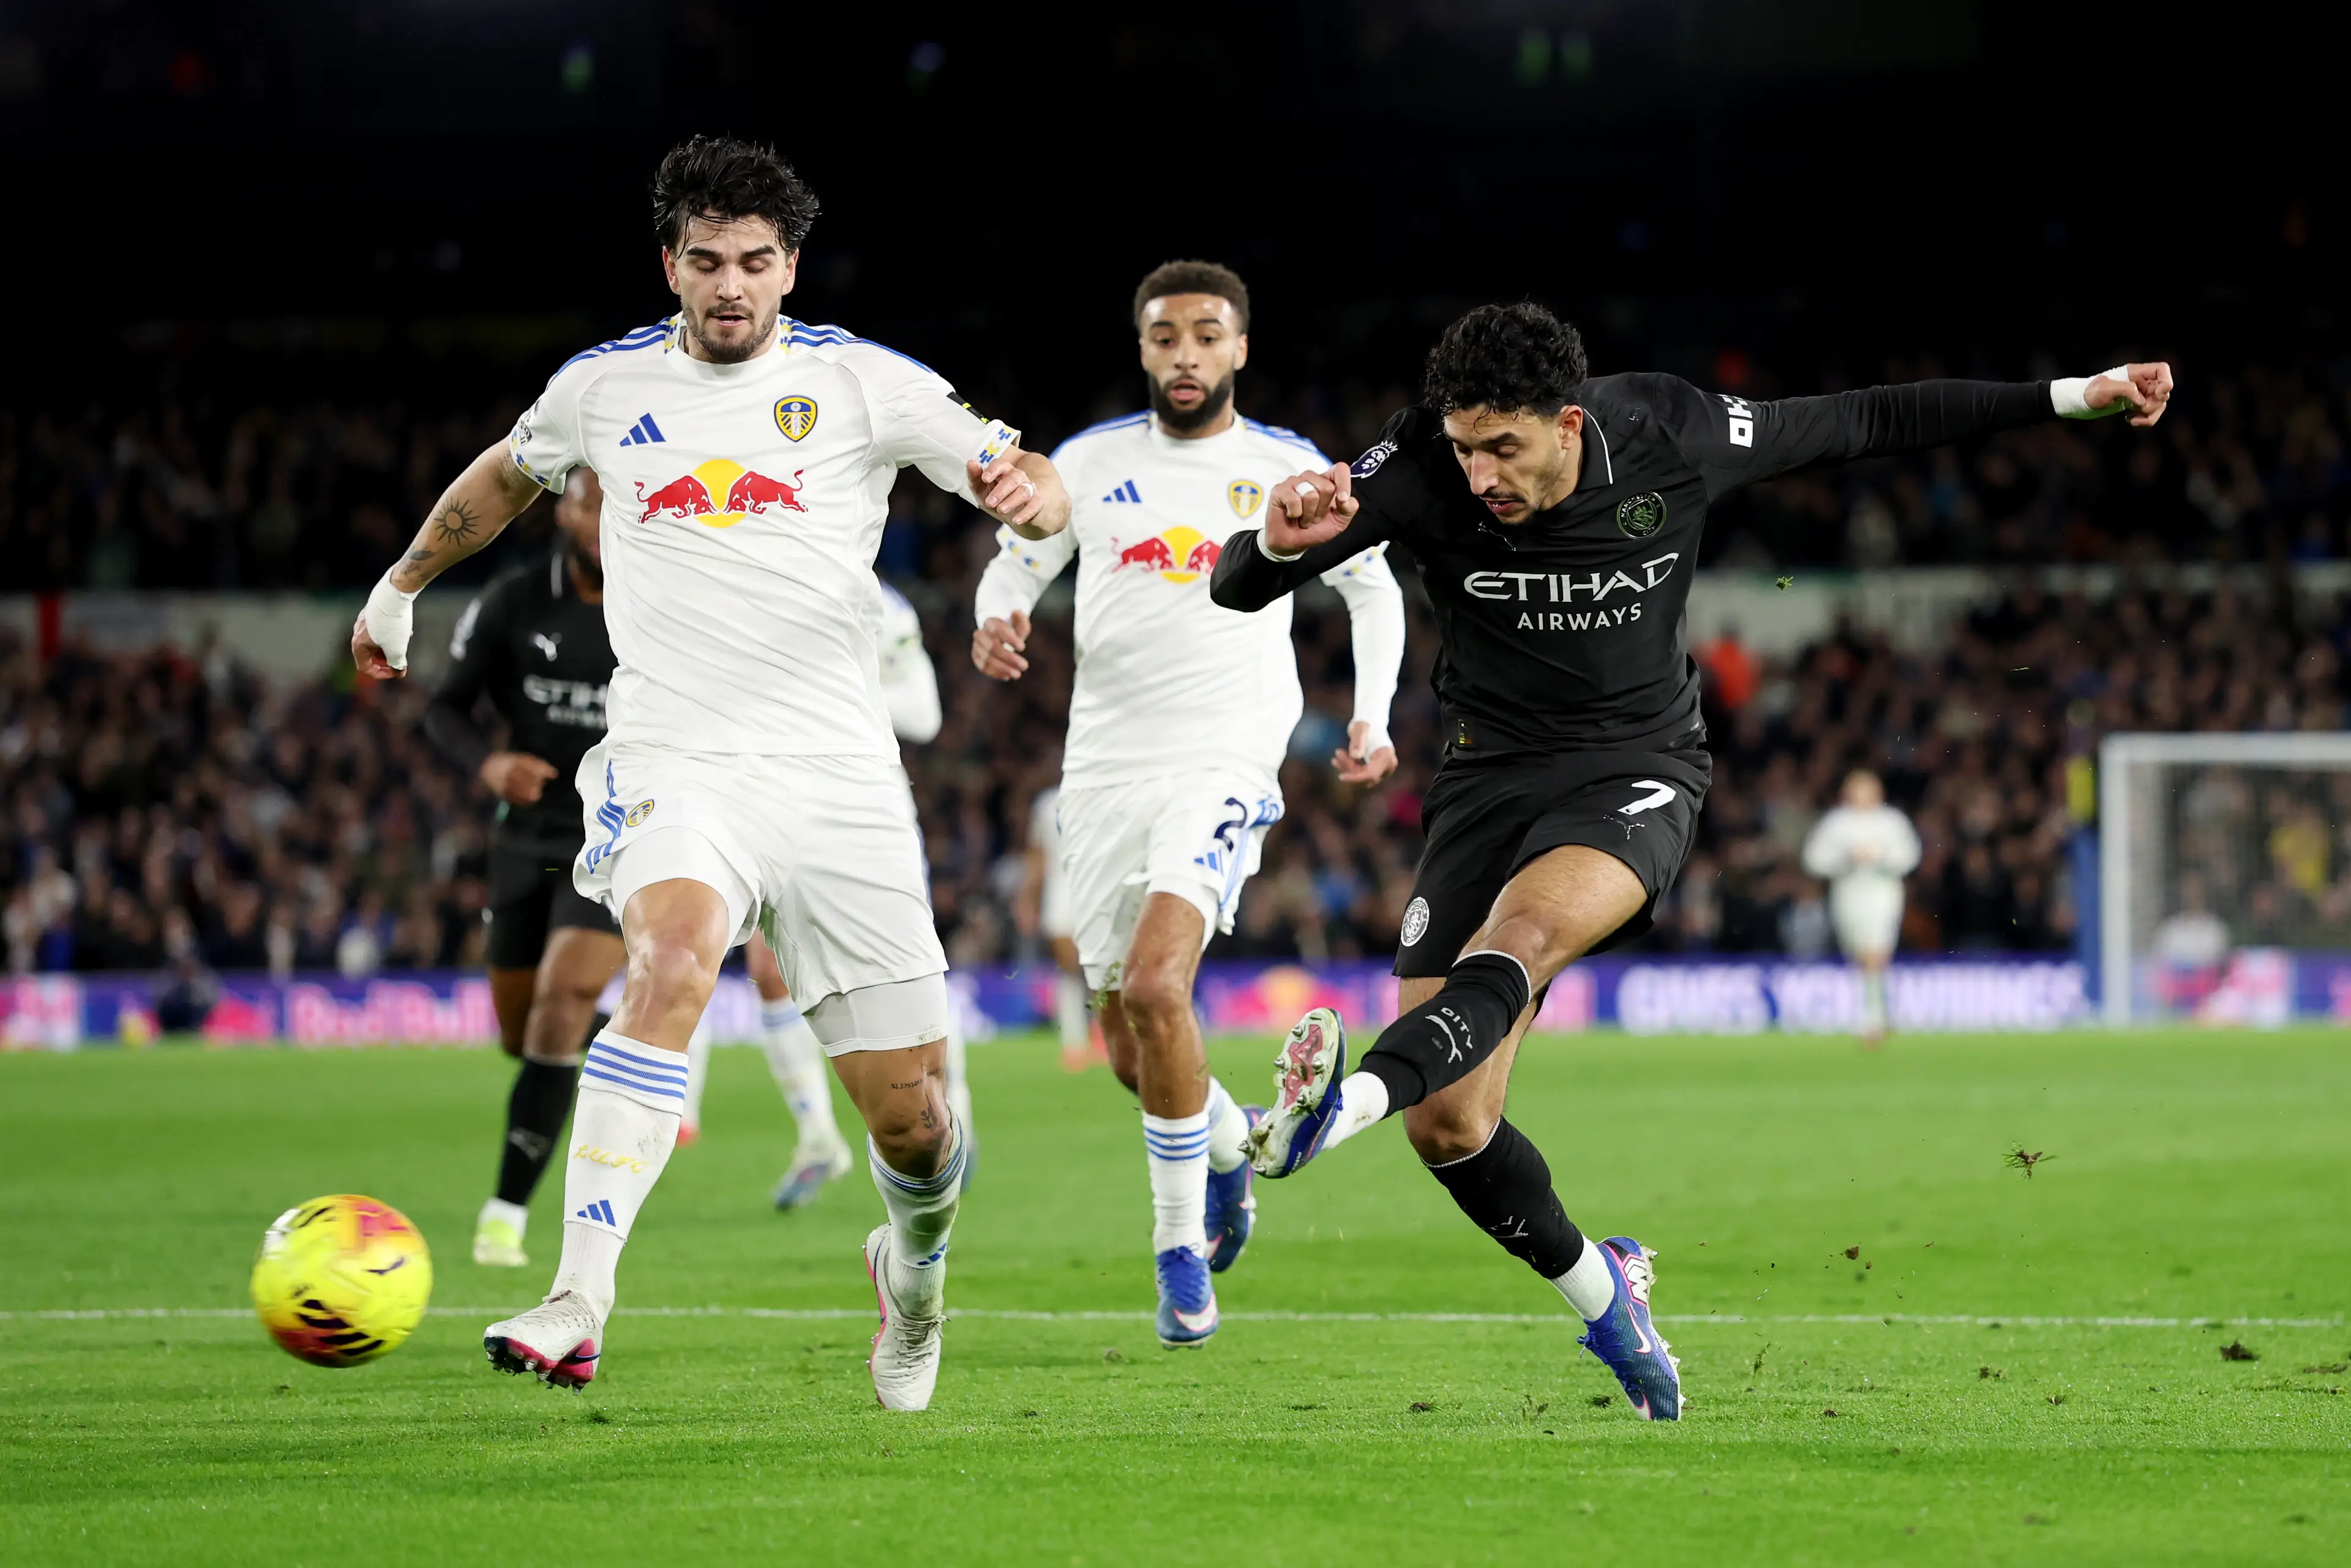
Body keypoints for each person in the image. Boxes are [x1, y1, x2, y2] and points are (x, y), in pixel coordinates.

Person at [1210, 301, 2173, 1418]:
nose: (1480, 476)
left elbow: (1864, 419)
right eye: (1466, 448)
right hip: (1484, 781)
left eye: (1504, 449)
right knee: (1452, 1124)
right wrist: (1279, 541)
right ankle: (1604, 1292)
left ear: (1570, 424)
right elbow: (1239, 586)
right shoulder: (1421, 461)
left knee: (1523, 938)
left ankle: (1336, 1111)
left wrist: (2072, 396)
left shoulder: (1669, 432)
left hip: (1636, 768)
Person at [351, 135, 1069, 1410]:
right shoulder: (601, 387)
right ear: (669, 265)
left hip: (839, 777)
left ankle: (913, 1274)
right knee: (670, 961)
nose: (729, 283)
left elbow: (1037, 480)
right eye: (706, 260)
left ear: (790, 267)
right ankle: (578, 1298)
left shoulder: (864, 383)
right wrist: (401, 585)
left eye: (753, 260)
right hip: (677, 755)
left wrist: (1031, 497)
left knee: (914, 1125)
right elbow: (506, 476)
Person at [973, 260, 1405, 1347]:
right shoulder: (1090, 461)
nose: (1186, 354)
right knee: (1134, 1046)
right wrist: (997, 614)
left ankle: (1178, 1255)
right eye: (1166, 336)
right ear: (1142, 348)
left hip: (1224, 756)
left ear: (1240, 348)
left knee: (1160, 985)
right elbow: (1018, 563)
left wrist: (1372, 715)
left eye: (1208, 335)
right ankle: (1227, 1149)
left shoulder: (1285, 467)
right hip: (1104, 771)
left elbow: (1373, 587)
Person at [424, 470, 625, 1267]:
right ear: (564, 512)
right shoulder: (514, 601)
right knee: (525, 1034)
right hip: (527, 838)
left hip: (617, 836)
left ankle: (503, 1214)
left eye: (620, 504)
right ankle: (628, 1046)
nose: (605, 520)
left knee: (563, 998)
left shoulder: (664, 604)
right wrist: (489, 763)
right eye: (592, 504)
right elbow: (443, 707)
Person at [749, 579, 962, 1211]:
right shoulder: (757, 575)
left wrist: (821, 693)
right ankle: (818, 1136)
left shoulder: (879, 603)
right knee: (769, 970)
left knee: (911, 973)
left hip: (867, 813)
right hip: (774, 800)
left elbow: (924, 712)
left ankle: (957, 1111)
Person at [1800, 768, 1921, 1045]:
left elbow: (1910, 855)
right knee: (1858, 956)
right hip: (1848, 896)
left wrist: (1880, 856)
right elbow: (1813, 859)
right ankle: (1874, 1011)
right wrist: (1847, 857)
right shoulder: (1837, 822)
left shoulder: (1892, 821)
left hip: (1883, 894)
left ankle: (1874, 1020)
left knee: (1876, 952)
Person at [1016, 784, 1099, 1071]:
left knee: (1101, 966)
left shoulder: (1103, 791)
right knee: (1070, 967)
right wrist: (1028, 898)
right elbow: (1037, 854)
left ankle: (1103, 1035)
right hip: (1061, 897)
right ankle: (1074, 1043)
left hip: (1099, 893)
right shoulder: (1049, 804)